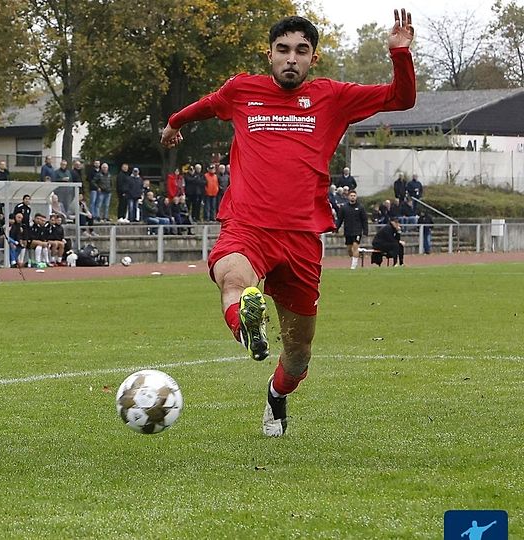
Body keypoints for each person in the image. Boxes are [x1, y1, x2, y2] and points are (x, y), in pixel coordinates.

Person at [160, 11, 415, 437]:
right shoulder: (242, 90)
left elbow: (401, 99)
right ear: (270, 55)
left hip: (301, 240)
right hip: (248, 227)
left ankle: (276, 394)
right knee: (233, 280)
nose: (291, 58)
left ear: (313, 58)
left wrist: (400, 55)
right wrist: (174, 123)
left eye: (301, 50)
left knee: (298, 357)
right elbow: (205, 106)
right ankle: (247, 320)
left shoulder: (333, 97)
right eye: (283, 50)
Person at [335, 190, 368, 269]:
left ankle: (353, 266)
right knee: (350, 250)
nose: (352, 197)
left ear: (356, 197)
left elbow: (364, 220)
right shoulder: (344, 208)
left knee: (355, 246)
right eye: (351, 195)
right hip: (348, 231)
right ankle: (358, 254)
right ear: (348, 197)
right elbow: (340, 219)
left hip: (357, 231)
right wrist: (336, 228)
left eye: (354, 195)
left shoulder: (360, 207)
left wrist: (365, 231)